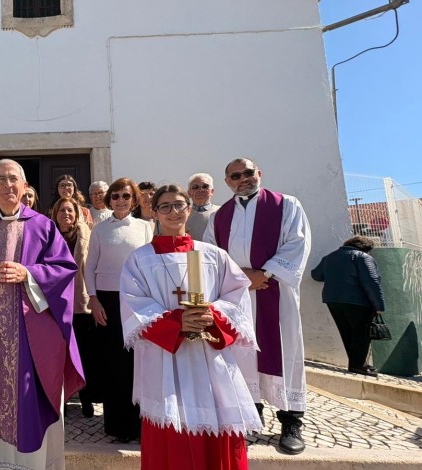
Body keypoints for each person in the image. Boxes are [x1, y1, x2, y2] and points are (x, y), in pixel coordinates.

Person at [0, 159, 85, 469]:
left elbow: (64, 270)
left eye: (14, 179)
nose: (8, 185)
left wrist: (28, 273)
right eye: (1, 179)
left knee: (31, 390)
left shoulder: (44, 226)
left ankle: (33, 464)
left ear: (25, 187)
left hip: (33, 334)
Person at [120, 184, 262, 469]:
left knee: (217, 423)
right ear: (155, 213)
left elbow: (237, 296)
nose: (173, 212)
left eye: (179, 205)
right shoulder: (140, 259)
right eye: (165, 206)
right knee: (170, 428)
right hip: (165, 356)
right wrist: (176, 322)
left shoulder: (213, 255)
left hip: (210, 354)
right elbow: (133, 305)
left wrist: (214, 315)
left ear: (188, 209)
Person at [204, 157, 311, 455]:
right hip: (238, 296)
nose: (243, 179)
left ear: (259, 173)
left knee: (285, 350)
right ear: (227, 182)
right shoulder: (220, 216)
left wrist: (262, 275)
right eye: (235, 176)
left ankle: (291, 421)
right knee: (243, 355)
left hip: (274, 291)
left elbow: (297, 243)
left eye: (248, 173)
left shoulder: (286, 205)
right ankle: (252, 416)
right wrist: (242, 279)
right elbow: (212, 256)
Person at [84, 177, 154, 442]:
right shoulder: (100, 229)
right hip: (108, 301)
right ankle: (117, 426)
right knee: (114, 364)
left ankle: (139, 423)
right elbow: (89, 267)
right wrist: (94, 299)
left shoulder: (146, 227)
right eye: (115, 196)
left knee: (137, 361)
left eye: (126, 196)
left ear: (133, 199)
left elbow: (151, 264)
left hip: (138, 300)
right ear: (109, 200)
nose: (121, 200)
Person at [51, 197, 100, 418]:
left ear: (77, 213)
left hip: (80, 303)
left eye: (70, 210)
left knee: (85, 354)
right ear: (55, 214)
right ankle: (59, 400)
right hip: (56, 304)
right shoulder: (49, 236)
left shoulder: (87, 234)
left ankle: (86, 399)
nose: (66, 213)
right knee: (57, 355)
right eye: (61, 210)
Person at [311, 236, 385, 377]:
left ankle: (357, 363)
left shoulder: (330, 257)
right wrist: (379, 305)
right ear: (365, 248)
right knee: (361, 334)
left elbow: (316, 275)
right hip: (358, 301)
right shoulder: (362, 257)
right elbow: (372, 282)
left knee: (347, 332)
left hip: (333, 300)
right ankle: (358, 365)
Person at [185, 173, 220, 241]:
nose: (200, 190)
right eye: (195, 187)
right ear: (189, 193)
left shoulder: (221, 212)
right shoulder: (182, 214)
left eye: (205, 186)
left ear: (212, 191)